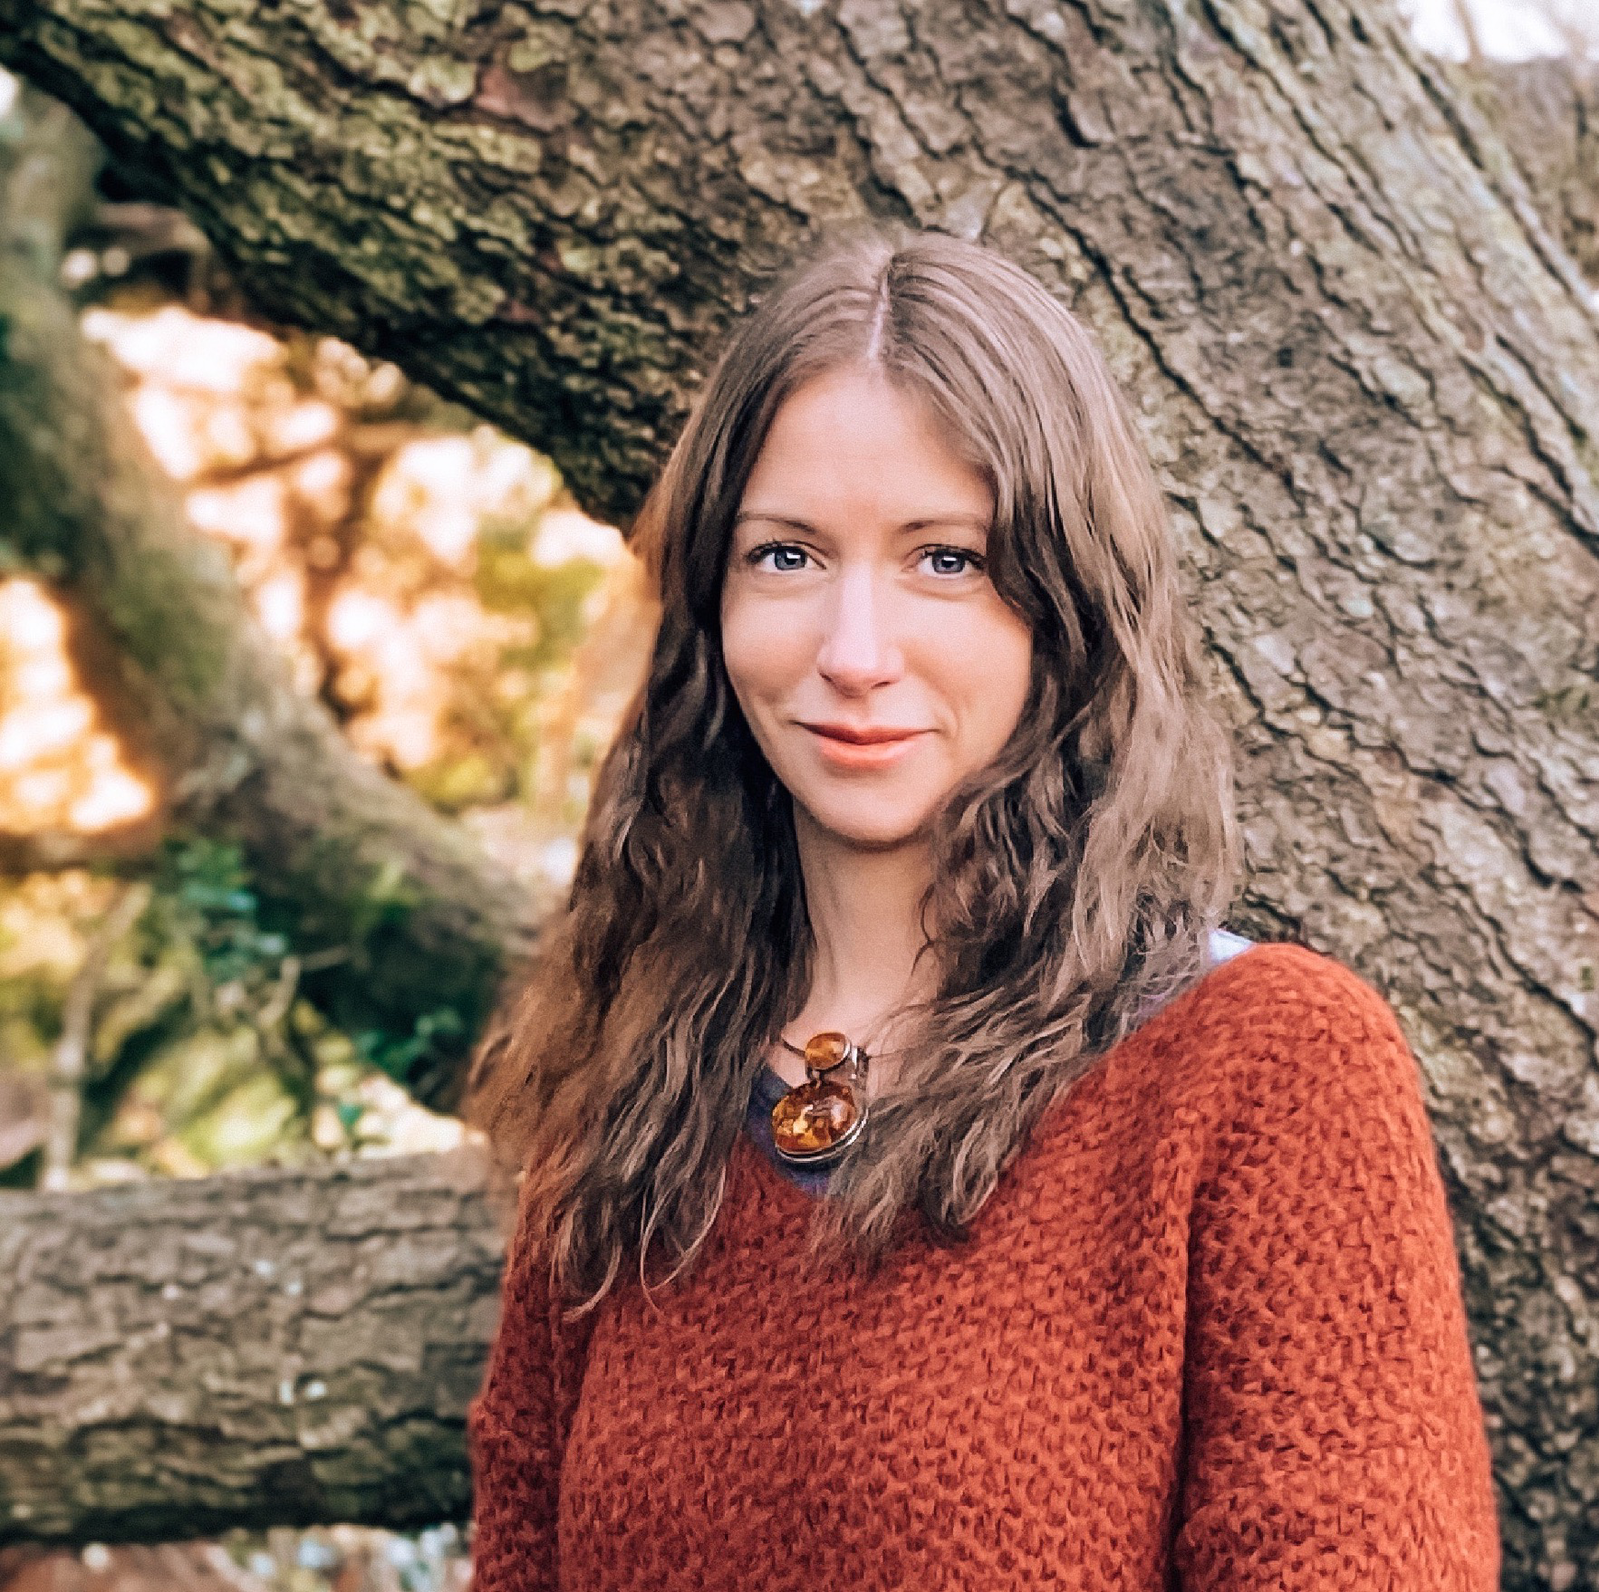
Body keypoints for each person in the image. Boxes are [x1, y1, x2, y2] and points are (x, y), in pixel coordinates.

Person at [464, 227, 1500, 1589]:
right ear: (710, 605)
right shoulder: (627, 1105)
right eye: (787, 556)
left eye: (943, 559)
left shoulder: (1264, 1070)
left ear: (1062, 604)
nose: (854, 652)